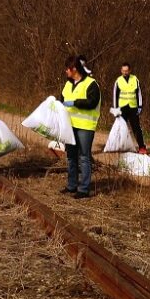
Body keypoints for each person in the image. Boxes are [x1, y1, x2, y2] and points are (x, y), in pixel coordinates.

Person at [60, 54, 101, 199]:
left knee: (84, 157)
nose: (66, 71)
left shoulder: (91, 84)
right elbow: (62, 100)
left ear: (74, 69)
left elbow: (92, 102)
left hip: (85, 126)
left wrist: (75, 102)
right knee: (71, 157)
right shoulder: (67, 84)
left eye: (67, 69)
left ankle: (84, 189)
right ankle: (72, 186)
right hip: (69, 126)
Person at [112, 62, 146, 154]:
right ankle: (121, 147)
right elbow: (115, 95)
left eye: (126, 71)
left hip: (133, 107)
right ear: (121, 70)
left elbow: (139, 93)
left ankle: (142, 147)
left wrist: (140, 105)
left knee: (136, 128)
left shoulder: (135, 79)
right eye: (123, 71)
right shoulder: (118, 80)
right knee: (121, 128)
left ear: (130, 70)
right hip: (122, 108)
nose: (125, 72)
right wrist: (115, 109)